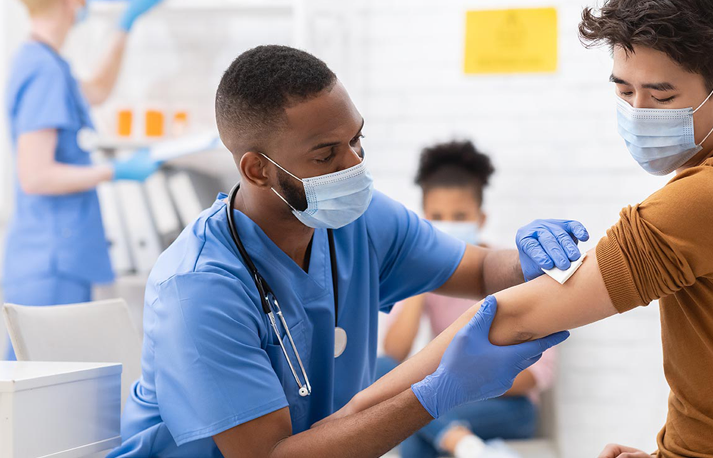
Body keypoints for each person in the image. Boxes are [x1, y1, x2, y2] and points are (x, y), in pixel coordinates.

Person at [330, 0, 713, 457]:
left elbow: (509, 316)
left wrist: (349, 417)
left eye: (660, 97)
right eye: (624, 90)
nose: (636, 113)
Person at [108, 45, 584, 457]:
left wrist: (526, 258)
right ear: (256, 170)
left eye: (357, 140)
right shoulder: (197, 289)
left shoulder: (362, 220)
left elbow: (481, 271)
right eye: (326, 154)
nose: (354, 165)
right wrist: (434, 394)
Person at [3, 0, 166, 357]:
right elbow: (36, 175)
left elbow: (96, 90)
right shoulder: (43, 70)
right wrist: (115, 171)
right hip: (52, 257)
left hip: (55, 252)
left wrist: (124, 27)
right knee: (42, 386)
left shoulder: (47, 63)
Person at [378, 140, 557, 458]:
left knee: (410, 424)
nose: (447, 225)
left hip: (509, 407)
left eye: (459, 215)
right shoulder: (425, 276)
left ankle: (459, 440)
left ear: (481, 218)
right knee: (380, 371)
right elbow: (393, 353)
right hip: (447, 399)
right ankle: (464, 443)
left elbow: (536, 376)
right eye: (436, 216)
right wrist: (423, 279)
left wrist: (466, 380)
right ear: (423, 221)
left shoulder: (513, 273)